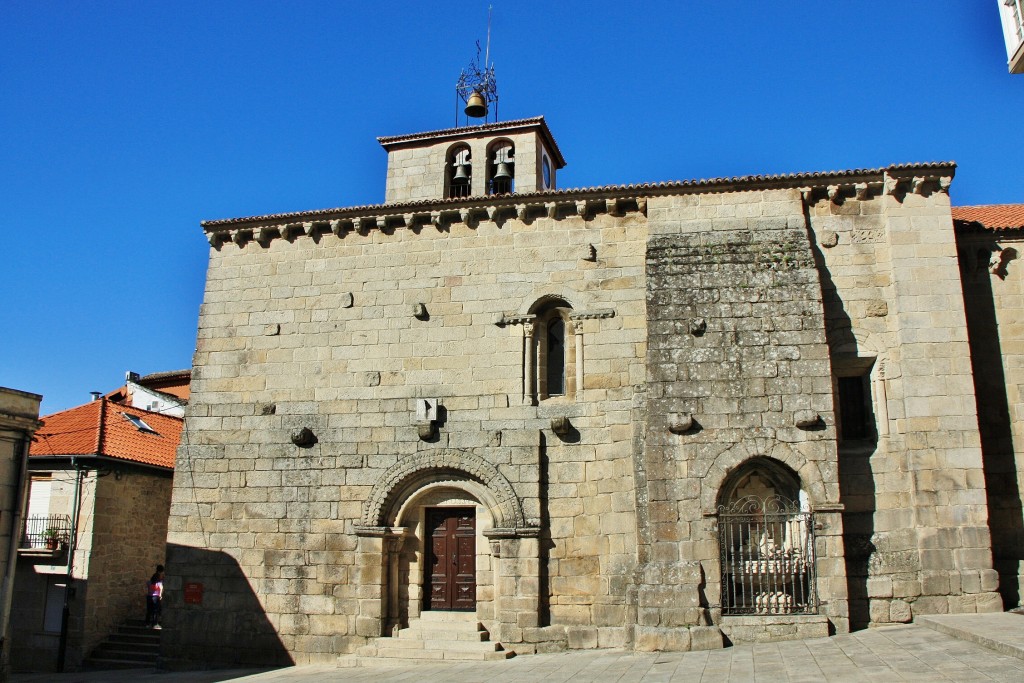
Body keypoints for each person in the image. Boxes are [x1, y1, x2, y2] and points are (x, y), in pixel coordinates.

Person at [144, 564, 164, 629]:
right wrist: (160, 595)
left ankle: (147, 624)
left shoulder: (149, 582)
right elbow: (161, 588)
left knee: (149, 611)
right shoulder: (159, 582)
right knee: (155, 611)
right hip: (156, 597)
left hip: (149, 597)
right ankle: (155, 624)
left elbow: (147, 585)